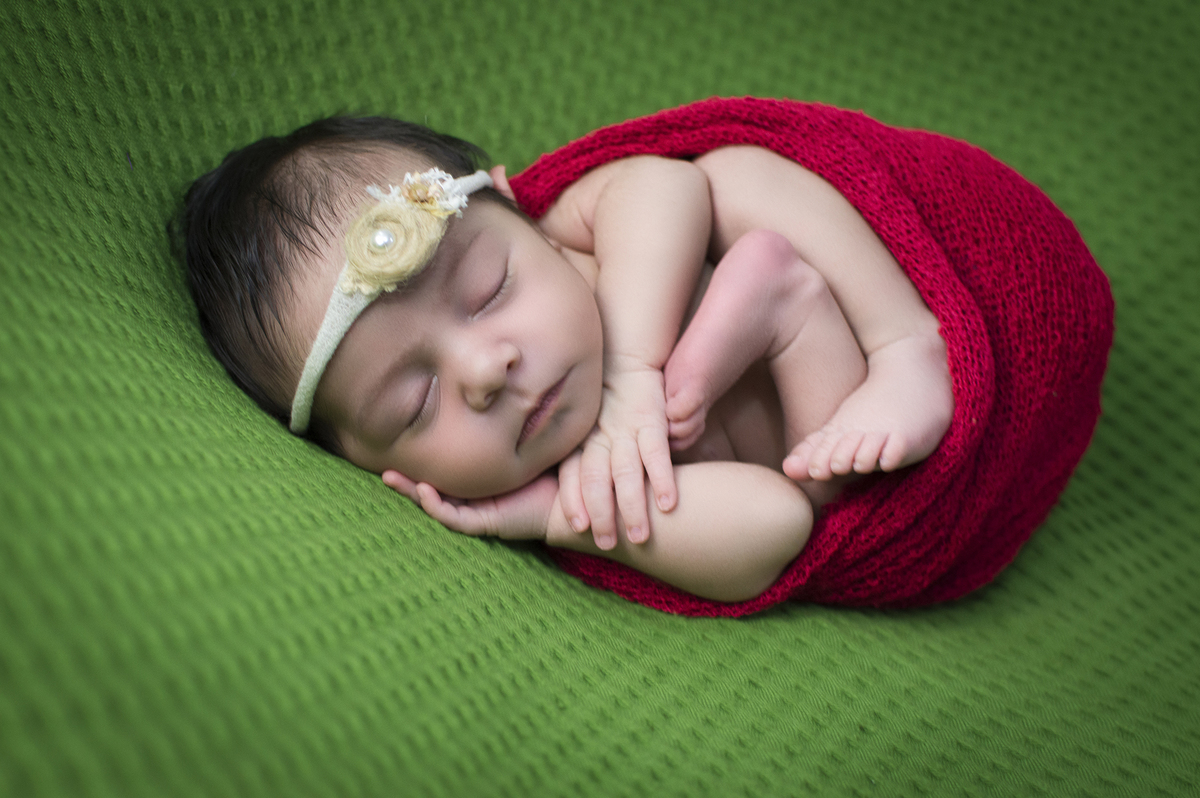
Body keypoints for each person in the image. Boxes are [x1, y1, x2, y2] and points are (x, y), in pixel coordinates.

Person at [181, 116, 953, 602]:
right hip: (830, 422)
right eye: (414, 404)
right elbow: (777, 525)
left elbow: (666, 182)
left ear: (518, 211)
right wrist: (555, 516)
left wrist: (631, 368)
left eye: (488, 288)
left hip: (868, 324)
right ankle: (786, 306)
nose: (485, 370)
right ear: (366, 463)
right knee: (820, 496)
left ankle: (904, 343)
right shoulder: (571, 489)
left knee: (733, 175)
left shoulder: (573, 228)